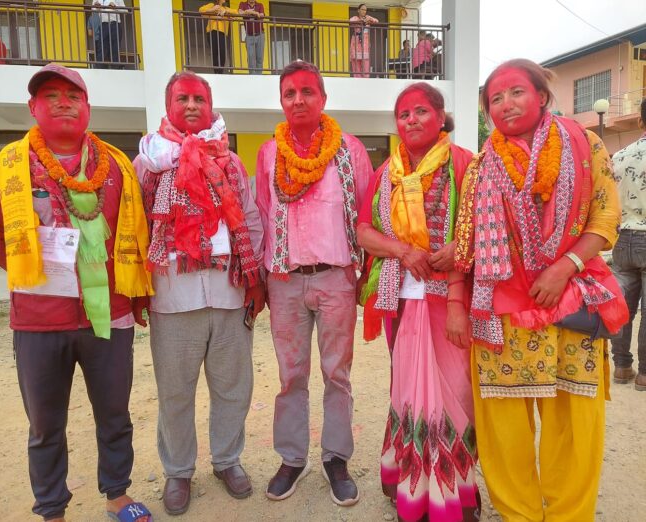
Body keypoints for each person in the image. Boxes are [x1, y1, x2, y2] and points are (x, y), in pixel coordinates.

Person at [455, 59, 628, 521]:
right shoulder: (480, 168)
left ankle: (569, 514)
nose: (506, 104)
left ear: (542, 96)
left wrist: (565, 266)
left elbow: (606, 215)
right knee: (505, 426)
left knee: (573, 419)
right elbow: (466, 243)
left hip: (571, 301)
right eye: (495, 98)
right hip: (502, 312)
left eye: (516, 92)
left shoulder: (584, 143)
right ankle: (520, 514)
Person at [0, 63, 153, 522]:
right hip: (38, 319)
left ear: (87, 108)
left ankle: (117, 494)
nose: (63, 103)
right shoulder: (7, 167)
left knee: (114, 413)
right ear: (33, 107)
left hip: (109, 315)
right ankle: (52, 508)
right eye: (50, 96)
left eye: (73, 96)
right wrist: (43, 276)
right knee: (44, 424)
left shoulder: (117, 166)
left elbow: (137, 233)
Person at [135, 71, 265, 516]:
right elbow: (136, 227)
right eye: (182, 99)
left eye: (199, 99)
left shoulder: (230, 161)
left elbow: (249, 217)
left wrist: (255, 279)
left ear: (210, 107)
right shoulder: (149, 163)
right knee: (175, 393)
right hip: (172, 297)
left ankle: (227, 460)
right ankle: (178, 471)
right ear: (168, 106)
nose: (191, 106)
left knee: (233, 387)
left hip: (229, 293)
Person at [357, 83, 479, 522]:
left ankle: (454, 494)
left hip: (450, 302)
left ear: (441, 116)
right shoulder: (386, 173)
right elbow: (364, 231)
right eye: (404, 113)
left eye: (421, 111)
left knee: (454, 394)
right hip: (403, 301)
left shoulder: (466, 164)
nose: (411, 120)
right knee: (408, 392)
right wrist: (403, 251)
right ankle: (411, 486)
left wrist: (460, 249)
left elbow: (484, 228)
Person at [255, 60, 374, 506]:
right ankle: (292, 458)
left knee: (336, 374)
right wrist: (261, 279)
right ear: (281, 101)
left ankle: (336, 458)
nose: (298, 99)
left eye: (307, 91)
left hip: (335, 279)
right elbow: (262, 214)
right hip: (284, 281)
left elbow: (366, 215)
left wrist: (363, 273)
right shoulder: (269, 153)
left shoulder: (350, 149)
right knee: (291, 376)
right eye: (290, 93)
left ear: (323, 98)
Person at [610, 97, 646, 391]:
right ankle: (644, 374)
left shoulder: (620, 156)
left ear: (640, 120)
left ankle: (622, 367)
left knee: (622, 305)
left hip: (623, 238)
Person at [200, 0, 239, 74]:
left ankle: (220, 72)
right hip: (212, 31)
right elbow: (201, 10)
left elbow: (236, 12)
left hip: (222, 32)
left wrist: (225, 12)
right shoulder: (212, 5)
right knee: (215, 52)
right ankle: (216, 72)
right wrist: (213, 9)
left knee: (222, 52)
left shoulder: (226, 8)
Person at [92, 0, 125, 68]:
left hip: (115, 24)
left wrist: (115, 6)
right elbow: (92, 8)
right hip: (103, 24)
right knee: (102, 47)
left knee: (115, 47)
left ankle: (115, 68)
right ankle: (99, 67)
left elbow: (125, 10)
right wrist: (97, 6)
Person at [349, 4, 378, 78]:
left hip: (365, 41)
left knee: (365, 62)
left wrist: (369, 20)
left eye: (365, 10)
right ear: (358, 10)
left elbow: (376, 21)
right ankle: (357, 79)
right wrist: (361, 21)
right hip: (356, 41)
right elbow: (350, 21)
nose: (364, 11)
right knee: (356, 62)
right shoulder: (355, 18)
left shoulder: (368, 17)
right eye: (362, 9)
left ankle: (366, 79)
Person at [238, 0, 265, 74]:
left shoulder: (260, 5)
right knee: (250, 58)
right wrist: (254, 13)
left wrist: (249, 12)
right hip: (249, 36)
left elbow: (261, 15)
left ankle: (259, 77)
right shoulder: (242, 4)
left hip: (260, 35)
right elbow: (240, 12)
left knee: (260, 57)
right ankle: (252, 76)